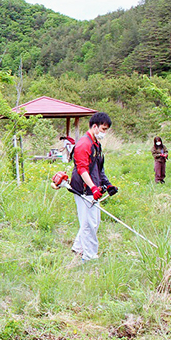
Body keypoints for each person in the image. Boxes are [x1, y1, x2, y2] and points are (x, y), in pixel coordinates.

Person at [69, 112, 117, 263]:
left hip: (92, 187)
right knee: (89, 223)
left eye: (106, 130)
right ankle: (89, 256)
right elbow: (82, 169)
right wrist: (93, 187)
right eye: (103, 129)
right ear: (94, 126)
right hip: (83, 188)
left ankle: (78, 247)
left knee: (93, 221)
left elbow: (98, 169)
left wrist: (107, 185)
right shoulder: (84, 144)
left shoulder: (96, 144)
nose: (104, 132)